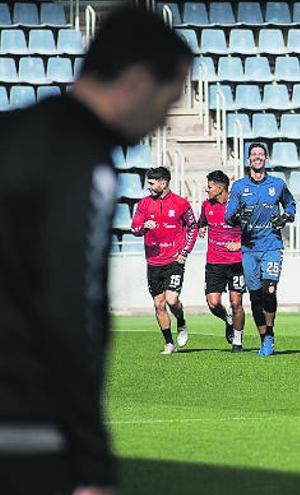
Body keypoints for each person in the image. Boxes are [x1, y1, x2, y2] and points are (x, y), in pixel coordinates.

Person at [0, 7, 192, 494]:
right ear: (136, 81)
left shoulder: (14, 133)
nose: (163, 119)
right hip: (29, 424)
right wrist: (92, 462)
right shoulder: (83, 161)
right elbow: (71, 308)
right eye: (168, 101)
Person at [226, 143, 296, 356]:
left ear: (266, 159)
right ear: (248, 160)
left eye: (261, 155)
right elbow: (228, 216)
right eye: (253, 155)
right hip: (249, 249)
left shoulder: (277, 184)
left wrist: (285, 217)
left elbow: (291, 205)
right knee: (255, 298)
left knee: (269, 291)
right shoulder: (238, 187)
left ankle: (270, 335)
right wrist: (238, 217)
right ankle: (263, 337)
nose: (257, 158)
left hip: (272, 246)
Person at [131, 166, 197, 354]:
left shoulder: (181, 203)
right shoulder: (143, 204)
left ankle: (181, 322)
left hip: (174, 260)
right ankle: (169, 343)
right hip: (153, 262)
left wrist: (184, 252)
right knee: (158, 304)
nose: (148, 187)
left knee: (172, 299)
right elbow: (134, 229)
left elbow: (192, 227)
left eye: (151, 183)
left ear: (164, 183)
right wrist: (144, 226)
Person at [198, 170, 245, 352]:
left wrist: (239, 243)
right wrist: (201, 229)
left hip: (236, 262)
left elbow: (251, 232)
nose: (206, 190)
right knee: (213, 303)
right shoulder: (206, 206)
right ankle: (228, 319)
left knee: (236, 302)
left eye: (209, 187)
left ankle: (238, 341)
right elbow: (201, 223)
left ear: (220, 188)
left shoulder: (238, 206)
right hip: (214, 262)